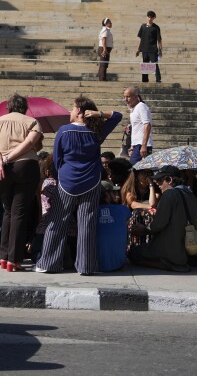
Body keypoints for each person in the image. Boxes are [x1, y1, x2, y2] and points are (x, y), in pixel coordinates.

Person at [35, 97, 122, 275]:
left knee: (57, 221)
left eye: (73, 108)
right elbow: (117, 116)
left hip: (67, 181)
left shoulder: (64, 131)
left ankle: (49, 263)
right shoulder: (95, 132)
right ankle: (86, 266)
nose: (70, 112)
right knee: (87, 224)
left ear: (80, 112)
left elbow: (58, 159)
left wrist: (61, 176)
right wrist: (99, 114)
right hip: (91, 181)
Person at [0, 93, 44, 271]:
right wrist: (10, 157)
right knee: (19, 213)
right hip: (25, 167)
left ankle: (4, 257)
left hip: (1, 169)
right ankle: (15, 259)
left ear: (9, 107)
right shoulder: (31, 122)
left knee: (8, 212)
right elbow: (29, 143)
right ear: (24, 107)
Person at [128, 165, 197, 271]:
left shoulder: (169, 195)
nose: (157, 183)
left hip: (169, 249)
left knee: (132, 253)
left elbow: (158, 224)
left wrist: (144, 229)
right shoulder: (191, 195)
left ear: (169, 180)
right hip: (188, 247)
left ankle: (166, 264)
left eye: (160, 180)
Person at [122, 169, 158, 247]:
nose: (147, 175)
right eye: (144, 173)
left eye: (149, 173)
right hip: (134, 222)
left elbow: (153, 202)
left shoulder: (155, 189)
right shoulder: (130, 189)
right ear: (137, 175)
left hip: (148, 224)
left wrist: (151, 185)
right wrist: (149, 206)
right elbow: (133, 205)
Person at [123, 86, 152, 164]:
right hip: (137, 144)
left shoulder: (141, 106)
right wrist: (132, 146)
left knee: (135, 167)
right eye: (124, 97)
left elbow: (147, 125)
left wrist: (144, 145)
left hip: (141, 144)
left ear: (136, 96)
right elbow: (136, 129)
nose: (126, 99)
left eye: (128, 97)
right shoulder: (134, 109)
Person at [135, 10, 163, 83]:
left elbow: (159, 40)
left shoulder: (156, 27)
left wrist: (160, 50)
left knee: (155, 65)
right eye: (148, 17)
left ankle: (158, 79)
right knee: (145, 65)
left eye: (151, 17)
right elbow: (140, 38)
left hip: (153, 50)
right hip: (144, 49)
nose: (150, 19)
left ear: (154, 18)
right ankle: (144, 80)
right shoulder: (143, 26)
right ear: (146, 17)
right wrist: (138, 49)